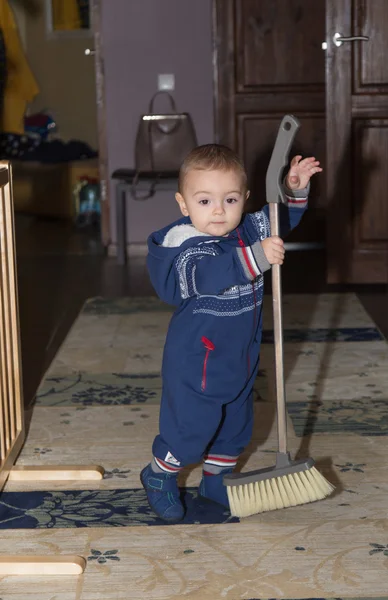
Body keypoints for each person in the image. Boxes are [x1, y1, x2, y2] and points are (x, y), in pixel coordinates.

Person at [141, 144, 322, 522]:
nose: (219, 210)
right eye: (205, 200)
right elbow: (210, 273)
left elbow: (279, 220)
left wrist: (293, 190)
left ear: (245, 199)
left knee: (236, 424)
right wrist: (257, 257)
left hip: (239, 353)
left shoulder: (247, 229)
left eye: (231, 199)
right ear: (183, 204)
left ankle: (215, 480)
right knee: (192, 428)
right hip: (197, 360)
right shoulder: (186, 247)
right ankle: (159, 475)